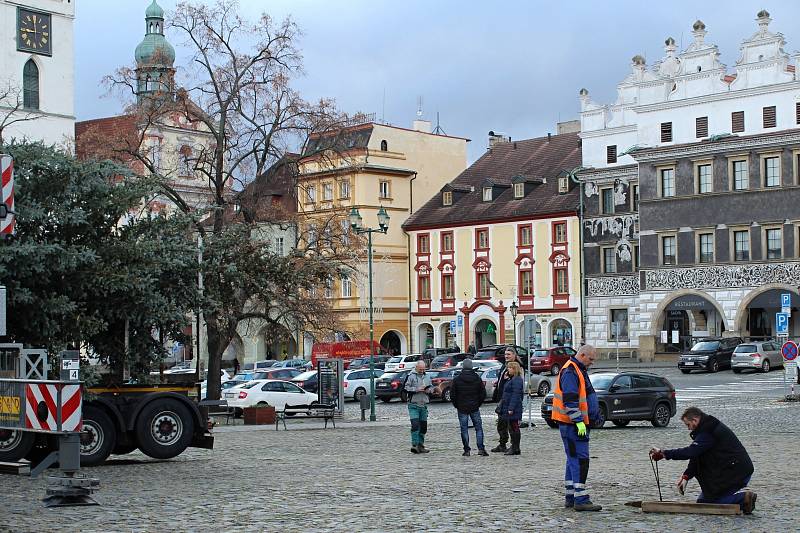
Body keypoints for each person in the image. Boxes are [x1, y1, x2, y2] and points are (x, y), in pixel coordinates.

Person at [649, 407, 756, 514]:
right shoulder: (706, 428)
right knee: (702, 502)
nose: (688, 428)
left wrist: (664, 453)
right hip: (730, 468)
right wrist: (686, 476)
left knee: (711, 504)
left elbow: (691, 452)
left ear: (695, 420)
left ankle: (744, 499)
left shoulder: (708, 431)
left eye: (688, 425)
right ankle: (743, 503)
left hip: (738, 471)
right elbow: (697, 455)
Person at [552, 344, 602, 511]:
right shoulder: (571, 371)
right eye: (591, 359)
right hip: (573, 425)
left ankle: (571, 495)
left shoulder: (577, 369)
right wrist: (579, 421)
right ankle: (580, 498)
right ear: (582, 355)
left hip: (572, 424)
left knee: (572, 459)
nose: (592, 363)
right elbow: (570, 400)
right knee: (580, 460)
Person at [450, 358, 488, 457]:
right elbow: (483, 393)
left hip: (462, 407)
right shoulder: (477, 378)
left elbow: (453, 394)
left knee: (464, 429)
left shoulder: (457, 379)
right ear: (471, 367)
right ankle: (481, 448)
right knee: (478, 428)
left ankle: (467, 450)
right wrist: (478, 403)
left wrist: (457, 405)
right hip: (474, 406)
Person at [490, 347, 523, 452]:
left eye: (508, 354)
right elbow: (504, 380)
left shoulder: (516, 367)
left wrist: (512, 406)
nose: (506, 356)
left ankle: (514, 446)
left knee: (511, 425)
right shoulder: (506, 366)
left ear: (514, 355)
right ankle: (503, 444)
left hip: (510, 402)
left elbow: (517, 388)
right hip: (503, 400)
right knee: (501, 424)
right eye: (505, 354)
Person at [404, 360, 433, 454]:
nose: (422, 371)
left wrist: (429, 390)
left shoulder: (427, 376)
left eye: (423, 369)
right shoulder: (411, 376)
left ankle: (421, 445)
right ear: (416, 367)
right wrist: (416, 389)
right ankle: (415, 445)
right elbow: (405, 388)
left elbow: (432, 387)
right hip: (413, 404)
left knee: (424, 427)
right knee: (415, 424)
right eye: (420, 369)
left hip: (424, 404)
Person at [499, 361, 524, 455]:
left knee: (514, 427)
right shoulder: (512, 379)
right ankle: (514, 447)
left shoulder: (516, 380)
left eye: (509, 368)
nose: (508, 369)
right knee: (512, 427)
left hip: (513, 407)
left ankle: (515, 447)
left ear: (514, 369)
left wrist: (511, 408)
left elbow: (515, 395)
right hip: (510, 406)